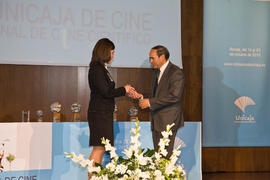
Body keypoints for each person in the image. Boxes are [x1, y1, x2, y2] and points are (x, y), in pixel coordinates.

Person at [87, 38, 134, 170]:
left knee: (101, 147)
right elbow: (106, 92)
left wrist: (124, 90)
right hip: (99, 114)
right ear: (104, 52)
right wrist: (124, 89)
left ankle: (94, 177)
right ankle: (92, 178)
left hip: (103, 113)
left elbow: (108, 91)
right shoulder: (96, 68)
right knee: (99, 148)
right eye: (112, 52)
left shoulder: (102, 68)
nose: (113, 56)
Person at [135, 45, 185, 159]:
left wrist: (150, 102)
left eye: (152, 58)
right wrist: (141, 96)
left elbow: (174, 97)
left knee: (165, 158)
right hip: (157, 120)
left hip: (168, 121)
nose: (150, 61)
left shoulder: (176, 72)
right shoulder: (156, 72)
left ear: (162, 57)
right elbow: (155, 95)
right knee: (159, 157)